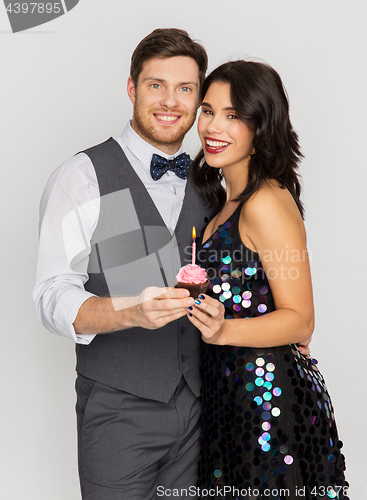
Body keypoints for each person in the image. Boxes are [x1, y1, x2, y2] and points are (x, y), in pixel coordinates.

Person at [33, 28, 210, 499]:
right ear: (132, 88)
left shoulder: (213, 184)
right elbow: (52, 294)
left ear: (199, 99)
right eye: (156, 85)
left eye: (185, 89)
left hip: (202, 410)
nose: (170, 101)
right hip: (117, 410)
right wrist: (131, 312)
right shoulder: (82, 176)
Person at [189, 61, 349, 499]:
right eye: (207, 110)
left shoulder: (265, 203)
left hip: (267, 405)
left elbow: (301, 320)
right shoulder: (222, 203)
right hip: (228, 399)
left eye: (233, 115)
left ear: (262, 125)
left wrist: (223, 330)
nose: (213, 126)